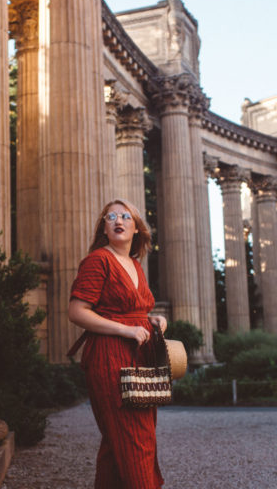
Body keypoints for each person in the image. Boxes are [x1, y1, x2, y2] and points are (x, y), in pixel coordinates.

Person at [68, 199, 167, 489]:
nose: (117, 220)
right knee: (133, 437)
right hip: (110, 357)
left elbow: (136, 313)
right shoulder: (98, 260)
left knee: (121, 441)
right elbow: (77, 312)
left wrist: (154, 322)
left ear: (137, 228)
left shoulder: (135, 264)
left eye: (125, 216)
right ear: (104, 227)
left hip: (140, 356)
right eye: (110, 217)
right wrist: (126, 329)